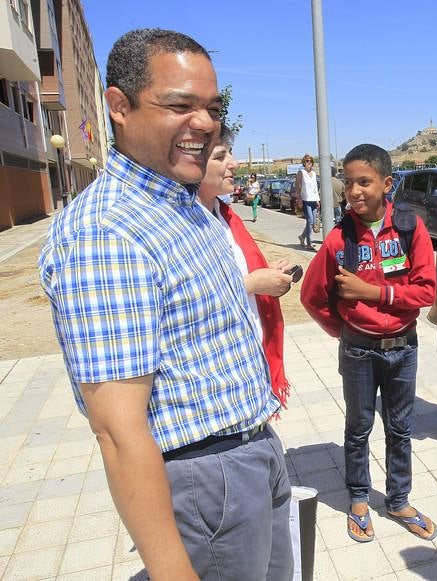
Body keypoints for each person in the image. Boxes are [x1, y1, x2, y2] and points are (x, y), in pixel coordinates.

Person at [39, 29, 293, 581]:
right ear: (119, 107)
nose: (203, 123)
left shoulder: (184, 201)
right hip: (206, 481)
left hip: (252, 453)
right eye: (180, 105)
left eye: (212, 108)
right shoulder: (107, 234)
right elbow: (118, 430)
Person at [300, 144, 437, 544]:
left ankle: (398, 500)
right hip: (358, 350)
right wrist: (342, 329)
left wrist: (373, 294)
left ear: (387, 183)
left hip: (403, 348)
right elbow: (313, 296)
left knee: (401, 429)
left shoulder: (411, 229)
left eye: (365, 182)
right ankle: (359, 499)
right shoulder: (339, 239)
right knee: (358, 427)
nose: (355, 191)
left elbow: (425, 291)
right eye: (349, 182)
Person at [196, 125, 294, 411]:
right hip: (217, 385)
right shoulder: (184, 224)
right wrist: (251, 284)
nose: (234, 164)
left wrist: (265, 274)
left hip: (247, 365)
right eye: (221, 156)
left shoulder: (224, 216)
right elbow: (190, 298)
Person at [295, 154, 320, 249]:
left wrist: (318, 200)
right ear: (304, 163)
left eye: (310, 161)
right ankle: (309, 243)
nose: (308, 162)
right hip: (305, 200)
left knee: (313, 223)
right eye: (306, 161)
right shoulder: (301, 173)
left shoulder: (314, 173)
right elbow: (297, 187)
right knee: (309, 221)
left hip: (314, 199)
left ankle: (302, 237)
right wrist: (299, 199)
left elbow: (315, 188)